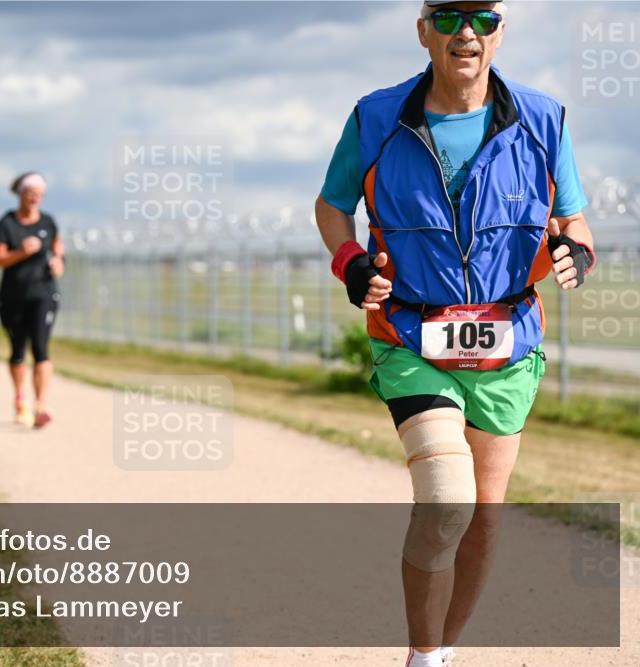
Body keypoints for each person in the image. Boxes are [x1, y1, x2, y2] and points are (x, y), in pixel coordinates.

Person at [314, 2, 595, 666]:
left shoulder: (544, 119)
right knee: (446, 500)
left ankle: (439, 651)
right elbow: (333, 206)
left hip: (509, 340)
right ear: (423, 32)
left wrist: (575, 254)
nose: (464, 32)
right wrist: (351, 262)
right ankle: (421, 655)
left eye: (482, 17)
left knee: (484, 520)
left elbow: (574, 220)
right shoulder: (376, 118)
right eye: (446, 17)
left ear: (500, 31)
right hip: (411, 335)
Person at [0, 172, 65, 429]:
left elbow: (58, 250)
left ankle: (41, 404)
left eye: (39, 195)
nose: (34, 199)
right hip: (13, 297)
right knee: (18, 350)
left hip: (44, 293)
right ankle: (21, 398)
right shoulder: (7, 224)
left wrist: (58, 263)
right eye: (30, 194)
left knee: (41, 349)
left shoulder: (49, 222)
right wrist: (20, 253)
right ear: (20, 194)